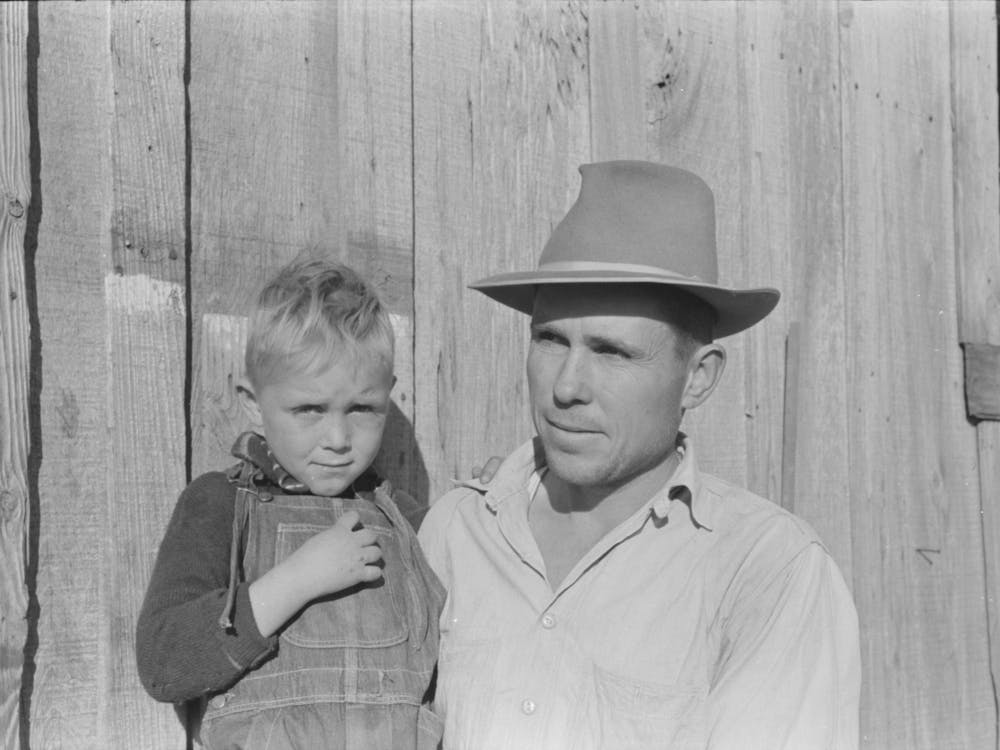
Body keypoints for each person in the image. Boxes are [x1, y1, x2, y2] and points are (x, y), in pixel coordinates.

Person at [418, 161, 861, 749]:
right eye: (550, 340)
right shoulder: (458, 529)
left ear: (698, 378)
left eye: (613, 353)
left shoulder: (768, 573)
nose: (566, 387)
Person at [136, 258, 445, 749]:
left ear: (388, 397)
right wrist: (299, 579)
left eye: (362, 408)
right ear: (253, 403)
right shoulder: (220, 505)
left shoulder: (403, 518)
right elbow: (164, 662)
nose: (338, 438)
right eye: (310, 409)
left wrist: (492, 505)